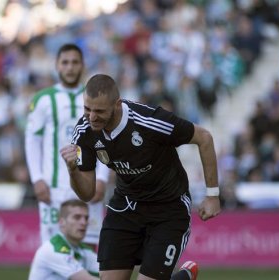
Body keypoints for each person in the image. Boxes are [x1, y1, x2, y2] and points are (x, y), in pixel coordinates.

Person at [61, 74, 221, 280]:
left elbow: (204, 138)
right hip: (125, 208)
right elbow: (87, 193)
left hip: (168, 210)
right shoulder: (84, 131)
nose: (91, 117)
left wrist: (213, 195)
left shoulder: (151, 121)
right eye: (87, 109)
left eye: (99, 111)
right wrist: (73, 170)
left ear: (117, 105)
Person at [25, 44, 110, 244]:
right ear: (57, 66)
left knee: (89, 250)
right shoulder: (43, 99)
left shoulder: (96, 98)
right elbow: (32, 141)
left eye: (74, 62)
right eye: (65, 62)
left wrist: (103, 178)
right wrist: (37, 179)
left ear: (82, 65)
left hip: (89, 186)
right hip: (53, 188)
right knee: (53, 250)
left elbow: (106, 139)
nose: (70, 67)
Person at [28, 199, 99, 280]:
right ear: (61, 221)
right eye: (77, 217)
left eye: (86, 218)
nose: (83, 222)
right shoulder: (54, 249)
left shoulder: (84, 250)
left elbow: (106, 271)